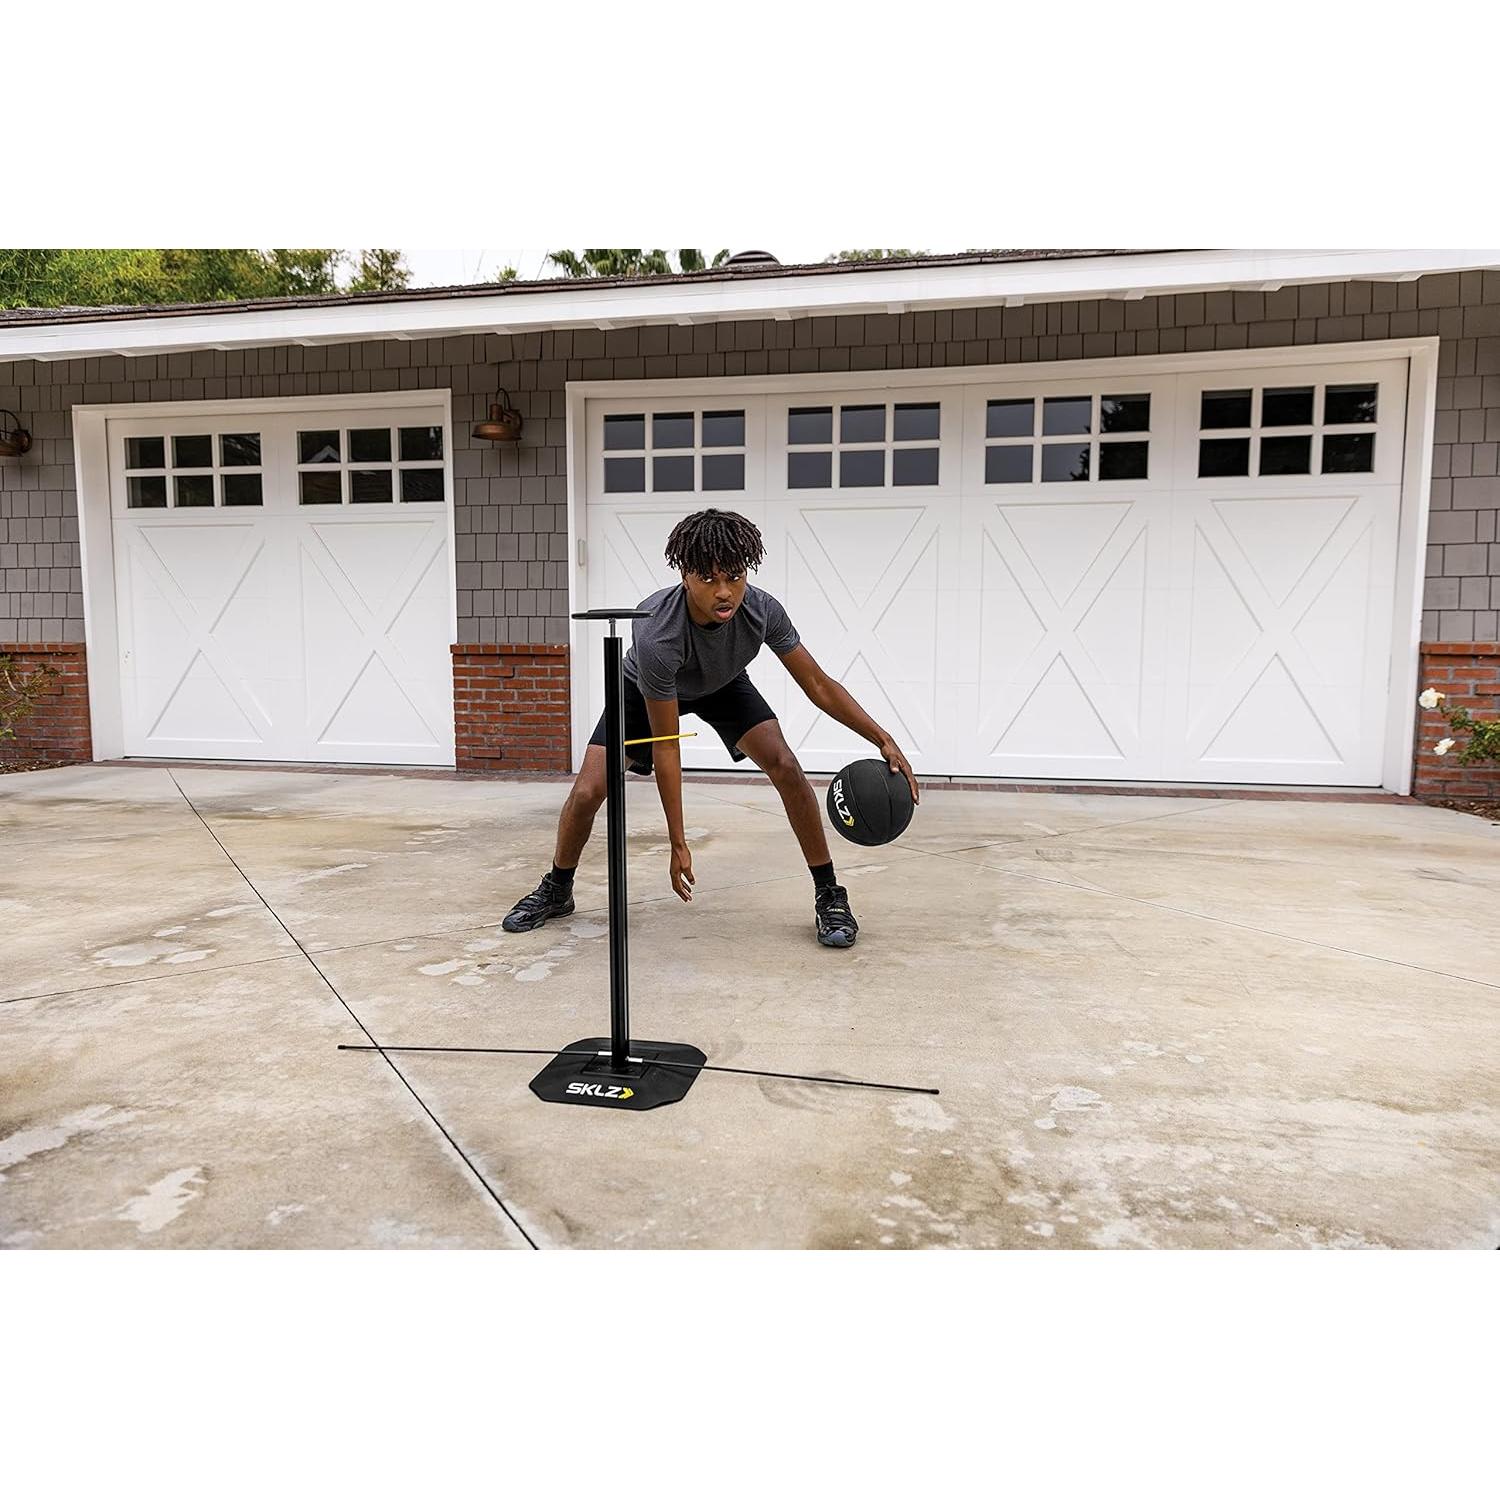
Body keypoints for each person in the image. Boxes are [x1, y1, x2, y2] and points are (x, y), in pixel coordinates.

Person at [502, 507, 919, 948]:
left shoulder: (761, 610)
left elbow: (816, 683)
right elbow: (665, 745)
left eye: (734, 577)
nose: (725, 592)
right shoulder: (657, 633)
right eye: (709, 579)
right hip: (645, 689)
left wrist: (883, 738)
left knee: (787, 766)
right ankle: (558, 887)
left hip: (722, 682)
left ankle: (829, 892)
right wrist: (677, 841)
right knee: (587, 791)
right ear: (685, 576)